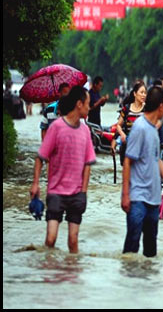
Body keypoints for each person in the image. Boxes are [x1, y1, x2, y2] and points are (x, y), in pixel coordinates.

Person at [30, 86, 96, 253]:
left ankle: (70, 275)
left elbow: (88, 163)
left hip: (76, 194)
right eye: (88, 104)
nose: (90, 107)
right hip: (56, 192)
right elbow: (41, 158)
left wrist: (84, 191)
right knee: (51, 239)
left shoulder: (86, 131)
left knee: (73, 242)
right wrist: (35, 184)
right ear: (79, 104)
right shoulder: (56, 127)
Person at [121, 86, 163, 257]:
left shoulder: (154, 130)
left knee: (150, 249)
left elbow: (157, 161)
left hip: (153, 199)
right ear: (162, 106)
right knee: (131, 248)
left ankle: (148, 282)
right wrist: (125, 195)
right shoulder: (140, 128)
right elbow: (127, 161)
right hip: (137, 197)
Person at [117, 81, 147, 166]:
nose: (143, 95)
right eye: (141, 92)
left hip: (142, 147)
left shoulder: (147, 109)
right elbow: (118, 125)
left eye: (145, 93)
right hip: (127, 146)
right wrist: (122, 134)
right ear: (135, 93)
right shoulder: (126, 108)